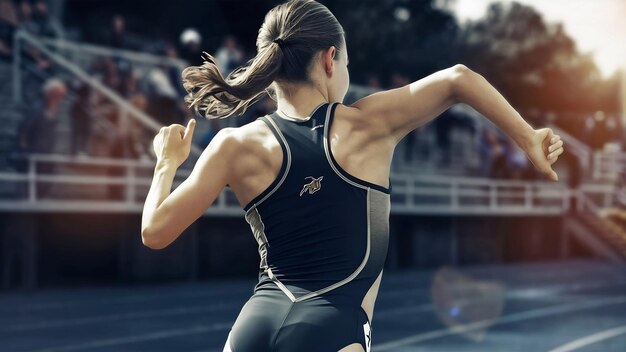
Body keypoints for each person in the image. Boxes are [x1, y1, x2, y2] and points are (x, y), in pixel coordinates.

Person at [140, 1, 565, 351]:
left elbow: (155, 232)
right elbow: (459, 80)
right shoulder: (368, 124)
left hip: (253, 328)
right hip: (333, 329)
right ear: (330, 60)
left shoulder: (233, 145)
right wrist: (526, 137)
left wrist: (166, 162)